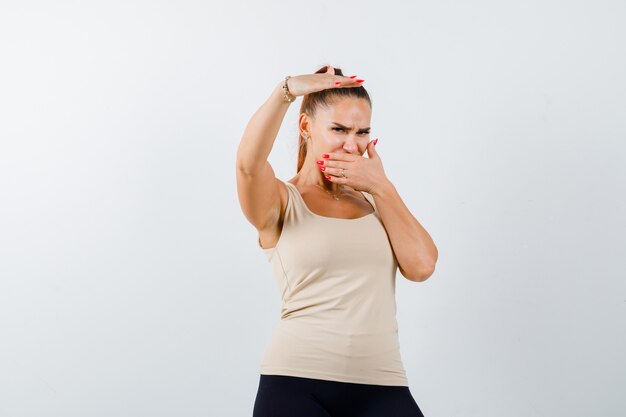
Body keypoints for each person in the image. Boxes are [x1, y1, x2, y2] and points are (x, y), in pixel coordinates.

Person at [236, 65, 438, 417]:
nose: (352, 144)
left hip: (383, 383)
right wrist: (285, 91)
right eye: (338, 129)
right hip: (296, 382)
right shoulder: (282, 200)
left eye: (363, 132)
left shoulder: (377, 200)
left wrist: (381, 186)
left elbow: (421, 266)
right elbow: (248, 167)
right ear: (306, 128)